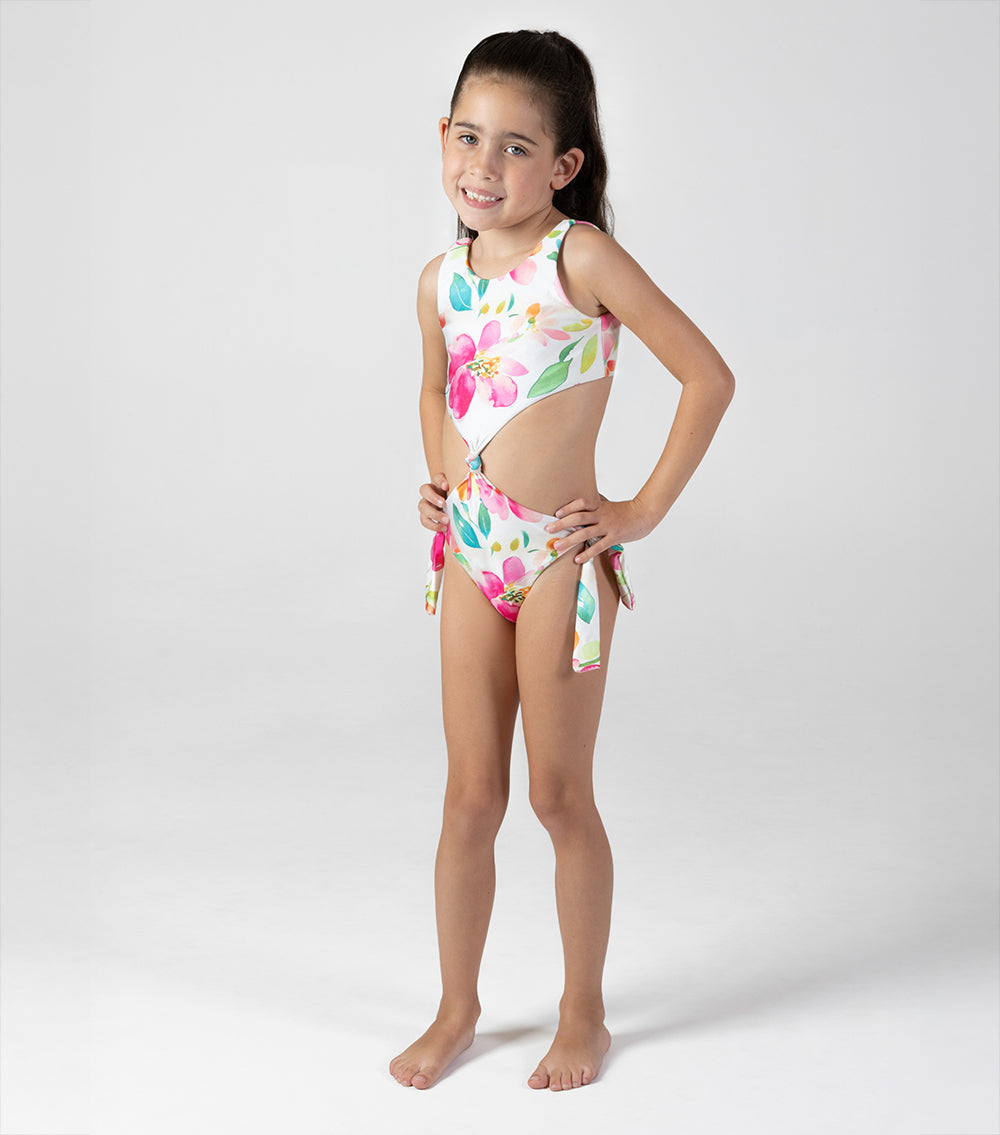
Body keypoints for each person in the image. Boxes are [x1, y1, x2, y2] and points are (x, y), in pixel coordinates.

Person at [390, 29, 735, 1093]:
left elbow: (706, 376)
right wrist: (439, 473)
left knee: (555, 795)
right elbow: (437, 387)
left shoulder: (576, 256)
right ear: (440, 138)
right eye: (466, 138)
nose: (482, 169)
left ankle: (582, 1009)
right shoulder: (439, 278)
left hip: (556, 562)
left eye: (514, 147)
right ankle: (458, 1005)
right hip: (471, 556)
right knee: (467, 799)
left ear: (564, 165)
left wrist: (636, 511)